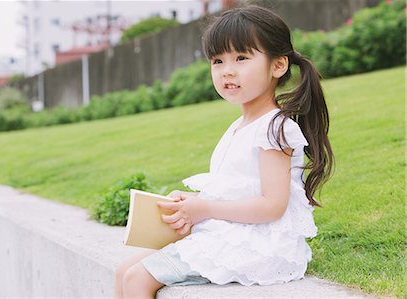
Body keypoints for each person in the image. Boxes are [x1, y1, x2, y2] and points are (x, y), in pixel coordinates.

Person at [115, 4, 334, 299]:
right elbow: (239, 189)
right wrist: (194, 202)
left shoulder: (275, 128)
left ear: (278, 65)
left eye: (241, 58)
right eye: (217, 61)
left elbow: (272, 206)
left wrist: (203, 209)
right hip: (232, 235)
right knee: (124, 272)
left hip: (258, 246)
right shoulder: (240, 126)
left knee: (138, 279)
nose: (227, 71)